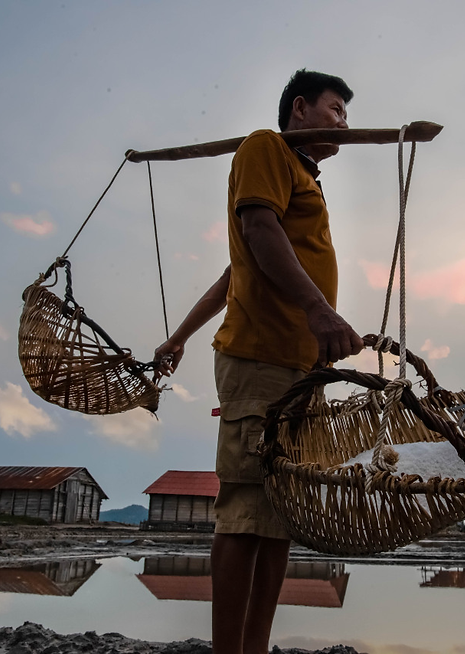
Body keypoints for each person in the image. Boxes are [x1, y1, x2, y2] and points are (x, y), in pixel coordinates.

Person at [152, 70, 364, 654]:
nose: (344, 124)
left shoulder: (303, 176)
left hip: (300, 368)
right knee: (246, 511)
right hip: (262, 358)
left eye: (348, 116)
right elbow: (258, 229)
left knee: (278, 518)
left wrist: (179, 336)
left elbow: (234, 273)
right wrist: (320, 311)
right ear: (299, 108)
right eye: (335, 110)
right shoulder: (266, 147)